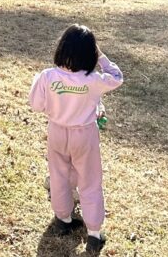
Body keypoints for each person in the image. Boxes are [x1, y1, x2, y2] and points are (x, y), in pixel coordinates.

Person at [29, 24, 124, 256]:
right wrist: (102, 57)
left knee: (59, 174)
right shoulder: (93, 80)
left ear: (61, 48)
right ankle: (93, 233)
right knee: (89, 181)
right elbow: (117, 77)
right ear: (90, 54)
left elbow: (36, 105)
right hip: (84, 134)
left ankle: (63, 219)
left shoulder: (47, 76)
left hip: (57, 132)